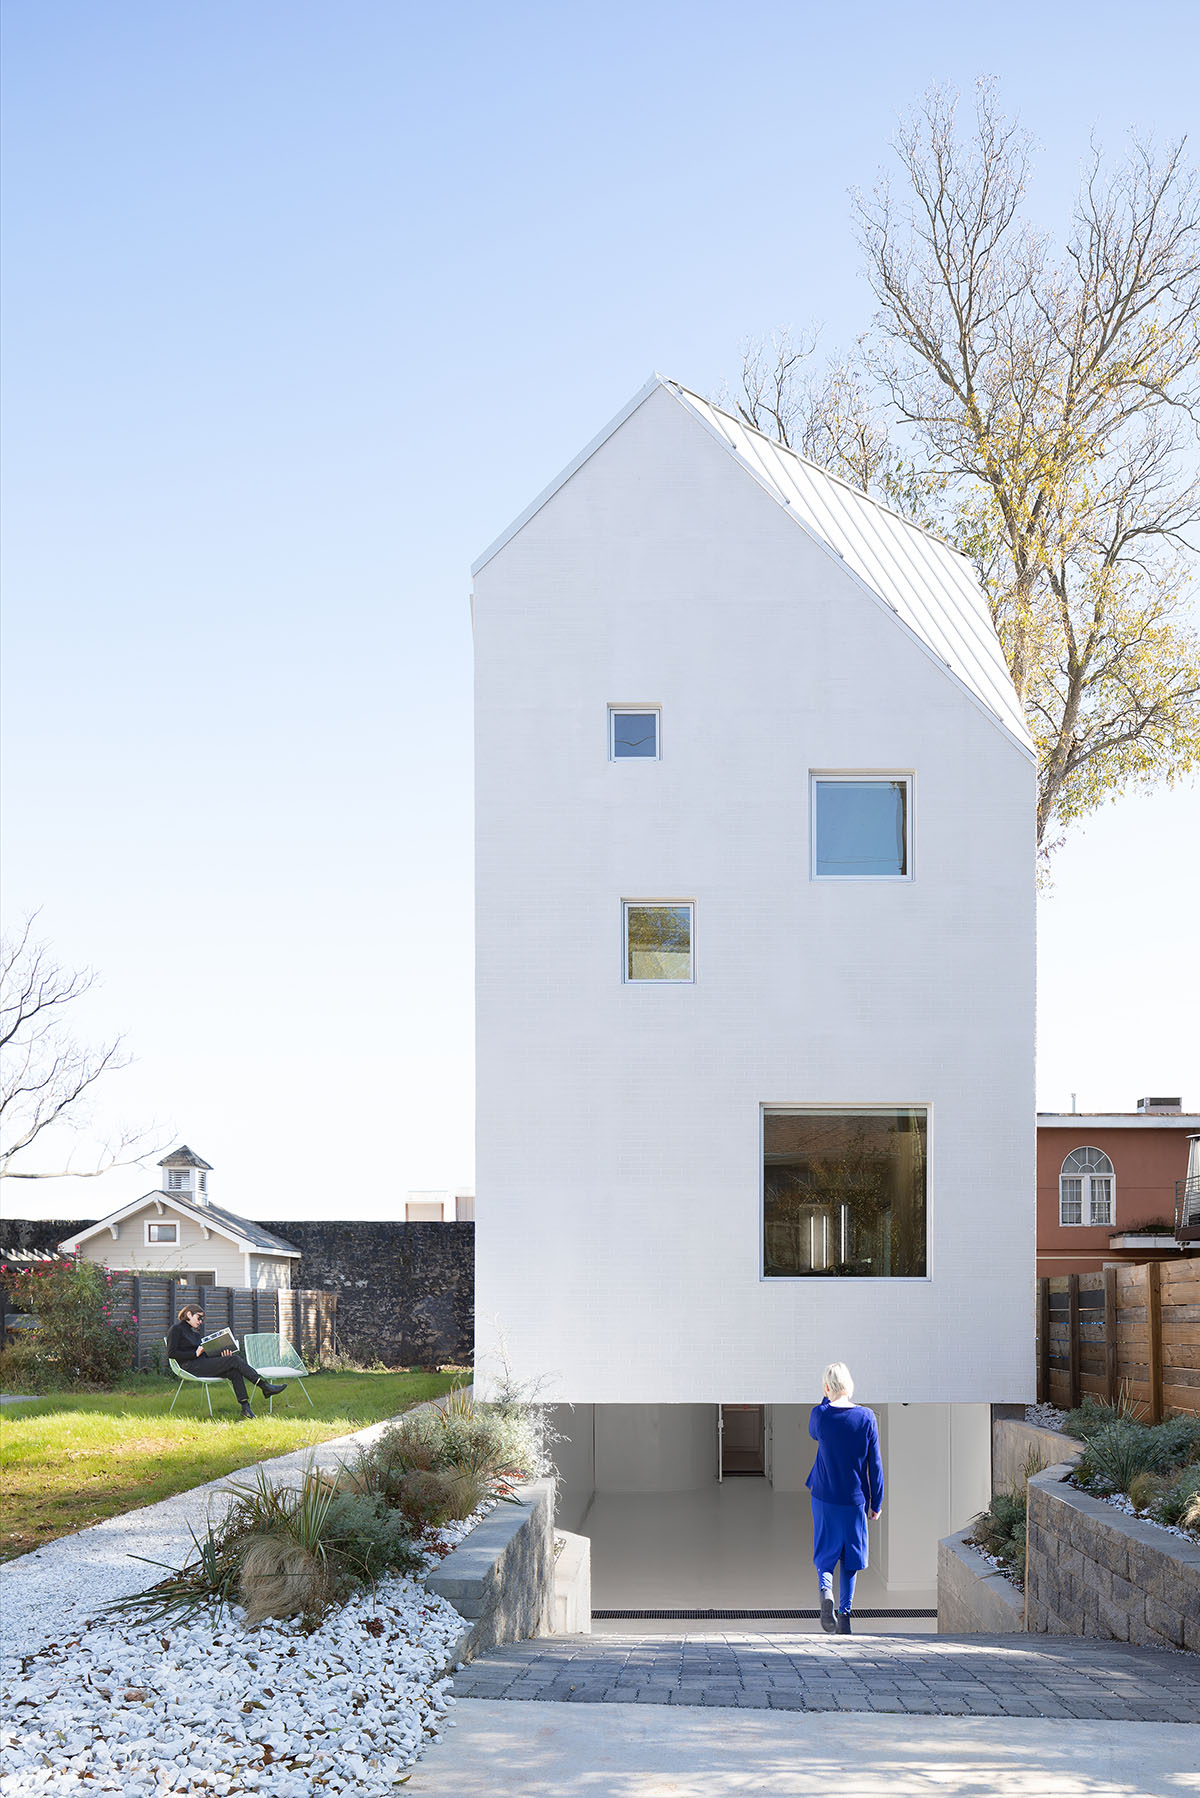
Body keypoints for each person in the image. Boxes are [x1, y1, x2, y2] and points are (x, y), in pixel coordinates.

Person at [806, 1361, 883, 1636]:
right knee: (851, 1557)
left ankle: (826, 1590)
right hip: (854, 1499)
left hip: (824, 1496)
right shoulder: (866, 1418)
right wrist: (877, 1503)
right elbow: (874, 1464)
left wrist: (826, 1397)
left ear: (827, 1387)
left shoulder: (820, 1416)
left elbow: (814, 1431)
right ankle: (845, 1615)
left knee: (825, 1550)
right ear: (849, 1385)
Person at [166, 1305, 285, 1419]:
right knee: (234, 1360)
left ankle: (245, 1408)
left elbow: (204, 1355)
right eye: (199, 1317)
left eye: (202, 1319)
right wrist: (194, 1354)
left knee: (234, 1370)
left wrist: (221, 1355)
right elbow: (171, 1353)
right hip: (189, 1367)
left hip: (202, 1364)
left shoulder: (195, 1335)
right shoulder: (176, 1329)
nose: (201, 1321)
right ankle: (264, 1386)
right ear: (189, 1314)